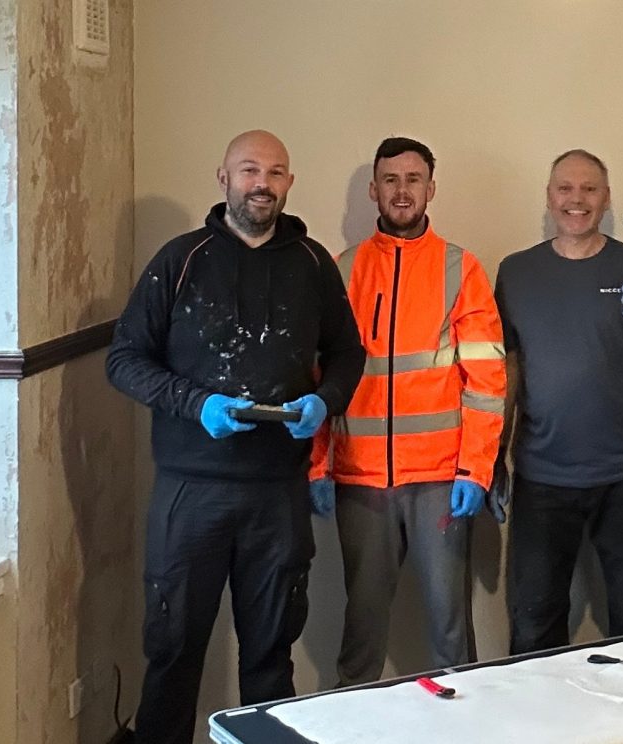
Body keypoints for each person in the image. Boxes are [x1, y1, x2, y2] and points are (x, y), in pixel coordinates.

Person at [106, 130, 364, 744]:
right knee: (172, 654)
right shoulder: (181, 259)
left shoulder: (312, 264)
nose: (263, 184)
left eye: (276, 173)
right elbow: (124, 360)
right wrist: (197, 405)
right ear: (223, 179)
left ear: (289, 183)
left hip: (276, 495)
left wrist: (324, 403)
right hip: (190, 492)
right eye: (249, 170)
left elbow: (349, 352)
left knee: (270, 662)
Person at [308, 137, 506, 685]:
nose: (402, 191)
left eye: (413, 179)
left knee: (450, 633)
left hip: (441, 480)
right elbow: (320, 379)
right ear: (374, 189)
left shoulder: (460, 269)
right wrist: (318, 465)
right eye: (390, 180)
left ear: (430, 189)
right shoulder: (342, 270)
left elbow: (487, 381)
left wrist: (476, 469)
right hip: (360, 481)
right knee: (362, 632)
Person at [494, 149, 623, 655]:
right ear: (550, 197)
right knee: (533, 628)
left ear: (607, 198)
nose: (577, 200)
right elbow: (510, 373)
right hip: (542, 477)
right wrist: (494, 456)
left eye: (590, 189)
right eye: (565, 189)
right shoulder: (517, 272)